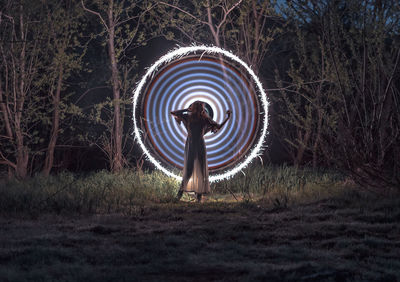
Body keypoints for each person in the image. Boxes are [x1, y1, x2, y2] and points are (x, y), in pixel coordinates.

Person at [171, 101, 231, 202]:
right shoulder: (189, 117)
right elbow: (173, 113)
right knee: (190, 169)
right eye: (196, 107)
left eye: (197, 107)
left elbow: (218, 127)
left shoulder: (204, 119)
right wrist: (187, 110)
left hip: (197, 144)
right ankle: (180, 195)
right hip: (192, 144)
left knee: (199, 168)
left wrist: (228, 118)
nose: (197, 108)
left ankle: (195, 197)